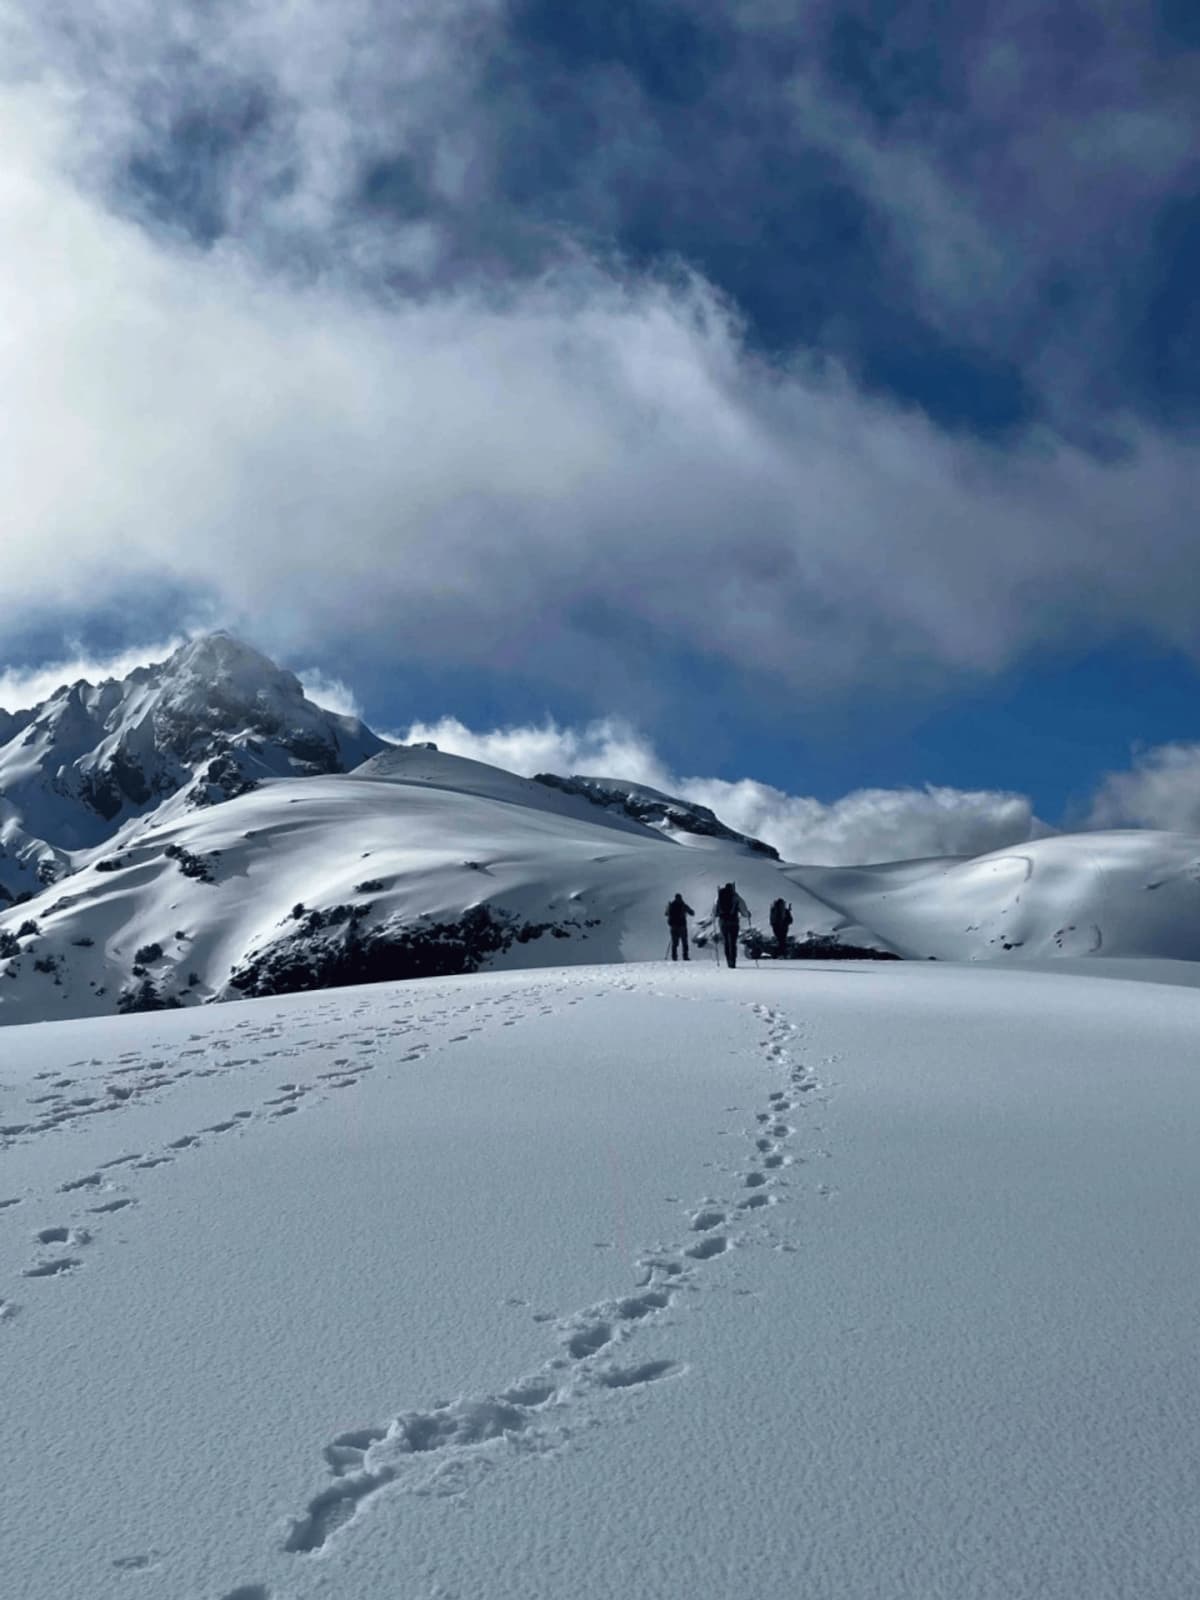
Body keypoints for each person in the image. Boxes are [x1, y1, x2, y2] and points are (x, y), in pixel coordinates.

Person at [713, 881, 750, 968]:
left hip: (722, 922)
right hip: (733, 922)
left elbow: (714, 912)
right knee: (732, 942)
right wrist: (748, 914)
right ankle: (732, 962)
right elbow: (744, 911)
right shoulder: (736, 897)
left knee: (726, 942)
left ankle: (728, 961)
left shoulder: (718, 897)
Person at [665, 893, 694, 961]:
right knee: (684, 942)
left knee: (675, 943)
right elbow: (692, 913)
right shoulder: (683, 905)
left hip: (673, 927)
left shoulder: (671, 905)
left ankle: (674, 957)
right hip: (682, 926)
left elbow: (666, 914)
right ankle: (685, 956)